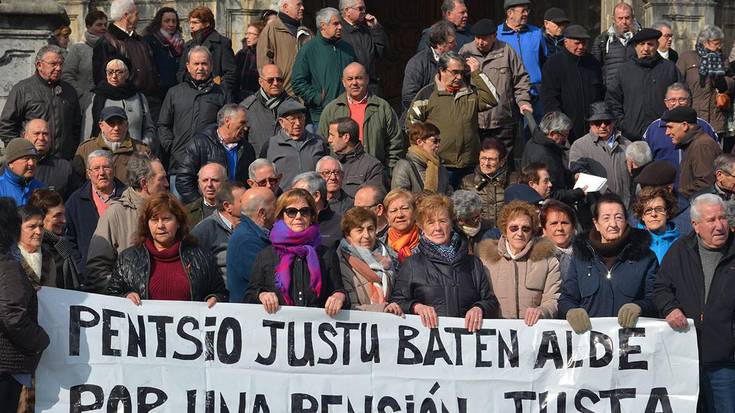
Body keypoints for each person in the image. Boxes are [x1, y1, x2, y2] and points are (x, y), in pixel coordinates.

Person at [653, 194, 735, 412]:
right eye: (711, 220)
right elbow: (660, 287)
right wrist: (670, 308)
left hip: (726, 363)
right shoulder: (680, 250)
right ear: (696, 225)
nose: (719, 226)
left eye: (723, 218)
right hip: (686, 359)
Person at [389, 193, 498, 330]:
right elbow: (396, 302)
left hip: (467, 343)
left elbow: (491, 302)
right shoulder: (411, 264)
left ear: (451, 223)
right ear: (422, 227)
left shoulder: (473, 263)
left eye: (443, 221)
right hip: (428, 343)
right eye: (431, 222)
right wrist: (416, 306)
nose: (438, 228)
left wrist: (480, 308)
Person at [559, 193, 658, 334]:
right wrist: (570, 310)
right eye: (606, 218)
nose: (613, 224)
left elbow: (655, 297)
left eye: (618, 218)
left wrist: (640, 307)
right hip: (591, 343)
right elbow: (567, 298)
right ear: (596, 224)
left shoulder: (645, 257)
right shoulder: (581, 257)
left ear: (625, 221)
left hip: (631, 343)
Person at [107, 192, 227, 304]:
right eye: (154, 219)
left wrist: (215, 299)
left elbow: (220, 293)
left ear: (178, 222)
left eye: (166, 219)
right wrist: (124, 297)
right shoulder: (128, 259)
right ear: (146, 224)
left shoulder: (201, 256)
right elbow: (111, 295)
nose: (160, 226)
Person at [245, 188, 348, 314]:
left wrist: (339, 296)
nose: (298, 216)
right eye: (291, 212)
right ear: (281, 215)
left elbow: (338, 290)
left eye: (304, 211)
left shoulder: (327, 255)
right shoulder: (265, 255)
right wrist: (261, 295)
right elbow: (249, 296)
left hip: (315, 329)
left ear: (312, 216)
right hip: (279, 329)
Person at [406, 51, 497, 187]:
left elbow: (493, 99)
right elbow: (412, 125)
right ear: (442, 70)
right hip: (440, 165)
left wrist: (477, 73)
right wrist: (425, 153)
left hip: (469, 164)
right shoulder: (427, 94)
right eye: (455, 72)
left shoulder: (470, 93)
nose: (459, 77)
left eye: (462, 72)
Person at [85, 154, 168, 293]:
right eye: (161, 179)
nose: (167, 183)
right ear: (144, 183)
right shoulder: (116, 213)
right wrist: (121, 294)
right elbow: (97, 269)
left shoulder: (171, 211)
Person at [0, 198, 49, 413]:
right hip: (6, 367)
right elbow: (12, 316)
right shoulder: (8, 265)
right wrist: (41, 339)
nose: (38, 231)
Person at [477, 200, 560, 324]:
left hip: (533, 332)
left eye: (526, 229)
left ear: (532, 231)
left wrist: (542, 311)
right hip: (496, 334)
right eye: (514, 228)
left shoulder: (548, 261)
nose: (519, 233)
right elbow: (478, 297)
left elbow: (554, 298)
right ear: (505, 230)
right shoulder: (485, 259)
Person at [459, 18, 531, 155]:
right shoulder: (465, 51)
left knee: (503, 160)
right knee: (479, 162)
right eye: (477, 38)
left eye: (484, 38)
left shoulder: (507, 51)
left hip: (503, 120)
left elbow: (521, 79)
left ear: (494, 36)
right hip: (475, 121)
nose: (480, 42)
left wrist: (524, 101)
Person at [158, 46, 226, 186]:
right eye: (196, 64)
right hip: (179, 166)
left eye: (204, 63)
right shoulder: (174, 93)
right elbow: (163, 125)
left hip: (210, 167)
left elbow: (227, 127)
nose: (200, 68)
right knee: (180, 208)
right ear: (188, 66)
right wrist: (173, 148)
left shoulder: (222, 94)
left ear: (211, 66)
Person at [318, 62, 404, 171]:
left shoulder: (383, 108)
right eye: (350, 79)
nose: (354, 83)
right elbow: (322, 145)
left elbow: (395, 144)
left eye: (359, 78)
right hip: (341, 174)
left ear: (367, 79)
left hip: (375, 173)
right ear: (343, 82)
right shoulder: (331, 110)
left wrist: (389, 173)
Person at [0, 45, 81, 160]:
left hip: (63, 162)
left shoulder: (69, 91)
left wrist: (71, 152)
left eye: (60, 64)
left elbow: (76, 126)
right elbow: (6, 126)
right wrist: (20, 153)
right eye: (53, 64)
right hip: (32, 161)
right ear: (39, 65)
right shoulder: (22, 90)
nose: (58, 68)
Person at [606, 28, 681, 141]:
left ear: (656, 46)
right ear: (635, 46)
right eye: (642, 44)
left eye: (650, 44)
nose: (646, 48)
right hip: (632, 136)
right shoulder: (624, 70)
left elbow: (682, 97)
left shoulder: (669, 69)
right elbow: (612, 100)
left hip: (664, 134)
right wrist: (624, 124)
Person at [643, 83, 719, 190]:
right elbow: (645, 163)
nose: (677, 104)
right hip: (664, 193)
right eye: (672, 100)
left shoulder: (704, 127)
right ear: (666, 103)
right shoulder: (653, 129)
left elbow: (716, 165)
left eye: (682, 99)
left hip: (694, 195)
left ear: (689, 101)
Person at [176, 104, 256, 203]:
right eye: (242, 123)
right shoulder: (200, 143)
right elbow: (184, 179)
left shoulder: (247, 149)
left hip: (237, 209)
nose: (246, 128)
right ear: (227, 121)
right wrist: (201, 205)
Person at [65, 150, 126, 277]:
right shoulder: (75, 201)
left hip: (123, 273)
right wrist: (80, 265)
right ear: (88, 173)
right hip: (87, 276)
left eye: (106, 167)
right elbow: (69, 239)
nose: (102, 173)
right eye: (96, 168)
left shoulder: (128, 198)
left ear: (114, 169)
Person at [292, 7, 356, 127]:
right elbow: (297, 82)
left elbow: (358, 74)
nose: (340, 27)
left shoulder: (347, 48)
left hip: (349, 113)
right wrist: (317, 98)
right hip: (321, 117)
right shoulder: (308, 49)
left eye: (340, 23)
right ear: (323, 26)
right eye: (335, 24)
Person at [541, 25, 605, 142]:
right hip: (566, 131)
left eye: (584, 43)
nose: (581, 47)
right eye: (577, 43)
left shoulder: (593, 63)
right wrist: (559, 127)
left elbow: (600, 94)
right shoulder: (553, 64)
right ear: (566, 42)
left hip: (592, 128)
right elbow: (549, 98)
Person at [338, 207, 402, 313]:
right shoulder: (339, 261)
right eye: (359, 230)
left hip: (388, 325)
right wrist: (383, 308)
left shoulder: (388, 257)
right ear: (347, 234)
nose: (366, 235)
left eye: (370, 229)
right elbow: (347, 308)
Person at [569, 102, 633, 207]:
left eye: (607, 122)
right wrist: (603, 190)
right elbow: (579, 175)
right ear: (590, 123)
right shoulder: (579, 146)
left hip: (625, 208)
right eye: (598, 122)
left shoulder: (627, 144)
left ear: (613, 122)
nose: (603, 126)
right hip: (595, 210)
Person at [92, 0, 159, 99]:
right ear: (126, 15)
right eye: (136, 14)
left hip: (149, 100)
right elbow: (102, 78)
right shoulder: (106, 42)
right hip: (123, 101)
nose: (138, 18)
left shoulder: (141, 41)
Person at [678, 25, 735, 137]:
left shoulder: (723, 59)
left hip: (716, 119)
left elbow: (732, 82)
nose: (720, 47)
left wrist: (723, 81)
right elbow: (677, 84)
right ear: (705, 42)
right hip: (693, 118)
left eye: (721, 43)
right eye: (716, 43)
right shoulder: (687, 58)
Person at [73, 106, 152, 186]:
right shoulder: (85, 149)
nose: (116, 128)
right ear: (101, 125)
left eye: (120, 123)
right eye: (111, 123)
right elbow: (76, 184)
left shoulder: (142, 150)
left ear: (127, 125)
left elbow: (151, 182)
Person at [83, 59, 155, 145]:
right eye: (110, 72)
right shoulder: (96, 97)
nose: (114, 76)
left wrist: (143, 146)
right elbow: (87, 132)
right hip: (105, 154)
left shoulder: (139, 97)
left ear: (126, 75)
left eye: (119, 72)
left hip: (136, 154)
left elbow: (149, 128)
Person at [260, 100, 328, 191]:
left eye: (300, 118)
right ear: (281, 122)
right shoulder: (270, 145)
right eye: (292, 119)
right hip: (284, 199)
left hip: (313, 198)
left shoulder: (318, 142)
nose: (298, 123)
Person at [522, 111, 586, 206]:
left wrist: (571, 177)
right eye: (564, 135)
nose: (565, 139)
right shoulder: (545, 156)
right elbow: (551, 194)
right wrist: (578, 193)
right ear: (553, 134)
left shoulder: (534, 141)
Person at [227, 187, 276, 303]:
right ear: (262, 213)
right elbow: (267, 280)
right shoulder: (247, 241)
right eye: (275, 205)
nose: (279, 209)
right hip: (250, 314)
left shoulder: (253, 233)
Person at [178, 6, 236, 101]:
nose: (191, 26)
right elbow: (181, 73)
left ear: (207, 23)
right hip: (191, 96)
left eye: (195, 22)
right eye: (190, 23)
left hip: (215, 96)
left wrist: (219, 90)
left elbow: (231, 73)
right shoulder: (188, 46)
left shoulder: (222, 43)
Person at [191, 182, 246, 284]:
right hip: (221, 296)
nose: (249, 204)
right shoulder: (204, 230)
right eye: (244, 201)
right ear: (227, 206)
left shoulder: (250, 226)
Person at [663, 106, 722, 199]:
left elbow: (706, 183)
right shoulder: (693, 144)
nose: (667, 132)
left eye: (670, 127)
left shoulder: (702, 146)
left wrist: (679, 195)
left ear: (685, 126)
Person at [239, 64, 299, 156]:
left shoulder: (294, 105)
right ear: (261, 82)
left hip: (289, 161)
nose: (275, 83)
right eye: (270, 80)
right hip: (260, 164)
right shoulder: (247, 108)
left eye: (279, 80)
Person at [256, 0, 314, 95]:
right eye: (298, 5)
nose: (302, 8)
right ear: (285, 7)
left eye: (302, 4)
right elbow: (264, 67)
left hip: (307, 95)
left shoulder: (307, 32)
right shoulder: (270, 31)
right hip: (283, 96)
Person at [27, 189, 80, 289]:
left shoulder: (61, 244)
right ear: (40, 218)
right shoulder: (34, 250)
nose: (64, 220)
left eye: (63, 214)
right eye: (57, 216)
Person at [401, 21, 456, 117]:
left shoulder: (454, 60)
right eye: (451, 42)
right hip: (424, 119)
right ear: (439, 44)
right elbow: (408, 97)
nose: (455, 44)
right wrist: (428, 114)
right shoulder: (417, 63)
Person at [496, 0, 546, 102]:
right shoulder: (496, 35)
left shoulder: (536, 33)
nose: (526, 14)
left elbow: (544, 61)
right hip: (507, 94)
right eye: (523, 11)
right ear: (510, 13)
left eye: (527, 10)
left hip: (535, 93)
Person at [460, 137, 516, 226]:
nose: (486, 163)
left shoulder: (514, 181)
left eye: (491, 159)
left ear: (502, 162)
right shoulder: (467, 182)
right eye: (483, 158)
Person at [338, 0, 389, 94]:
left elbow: (380, 52)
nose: (364, 12)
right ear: (347, 11)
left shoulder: (365, 29)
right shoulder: (338, 32)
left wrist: (375, 28)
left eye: (364, 8)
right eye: (360, 9)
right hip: (349, 89)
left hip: (370, 87)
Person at [326, 116, 384, 197]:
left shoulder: (372, 166)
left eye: (332, 135)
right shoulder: (330, 164)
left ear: (346, 137)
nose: (329, 140)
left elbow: (373, 198)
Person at [62, 10, 108, 109]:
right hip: (84, 105)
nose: (103, 28)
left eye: (105, 24)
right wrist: (81, 94)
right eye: (99, 25)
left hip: (108, 102)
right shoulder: (77, 49)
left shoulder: (111, 47)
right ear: (88, 26)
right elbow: (66, 75)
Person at [634, 159, 694, 235]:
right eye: (643, 190)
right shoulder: (635, 220)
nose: (646, 196)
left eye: (653, 192)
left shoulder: (688, 219)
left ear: (669, 189)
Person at [22, 119, 78, 200]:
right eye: (36, 133)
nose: (41, 138)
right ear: (25, 136)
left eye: (45, 134)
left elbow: (75, 203)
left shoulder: (65, 168)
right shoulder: (13, 166)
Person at [391, 121, 450, 194]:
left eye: (439, 141)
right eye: (434, 141)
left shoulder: (440, 167)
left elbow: (448, 193)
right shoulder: (404, 166)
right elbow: (398, 197)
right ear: (419, 142)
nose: (438, 145)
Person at [591, 2, 638, 87]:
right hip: (611, 92)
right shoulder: (603, 40)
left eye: (627, 18)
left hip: (635, 89)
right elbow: (595, 69)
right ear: (614, 19)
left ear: (632, 18)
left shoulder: (641, 39)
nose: (624, 22)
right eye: (620, 18)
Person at [291, 172, 343, 249]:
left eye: (299, 194)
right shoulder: (289, 221)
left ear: (316, 196)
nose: (292, 198)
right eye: (292, 194)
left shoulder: (340, 225)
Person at [142, 7, 184, 101]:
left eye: (174, 21)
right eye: (167, 21)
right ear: (159, 22)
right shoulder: (149, 41)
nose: (171, 24)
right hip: (158, 93)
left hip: (178, 91)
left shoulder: (181, 43)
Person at [632, 186, 680, 263]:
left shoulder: (680, 243)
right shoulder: (633, 243)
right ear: (642, 216)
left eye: (659, 209)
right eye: (648, 210)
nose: (654, 214)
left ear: (667, 213)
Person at [16, 204, 57, 289]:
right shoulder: (7, 257)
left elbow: (52, 290)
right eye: (32, 226)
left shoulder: (48, 257)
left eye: (41, 226)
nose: (38, 232)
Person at [0, 139, 45, 206]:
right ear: (11, 163)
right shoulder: (1, 187)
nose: (31, 163)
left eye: (34, 158)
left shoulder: (41, 188)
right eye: (26, 158)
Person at [383, 188, 420, 264]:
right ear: (387, 217)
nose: (399, 215)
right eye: (393, 210)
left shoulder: (428, 240)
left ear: (414, 212)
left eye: (405, 208)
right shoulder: (380, 245)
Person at [540, 200, 576, 276]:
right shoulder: (537, 259)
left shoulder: (588, 254)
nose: (560, 228)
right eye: (554, 223)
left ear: (573, 228)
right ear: (544, 230)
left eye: (564, 223)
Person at [452, 190, 493, 254]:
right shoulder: (451, 234)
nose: (480, 219)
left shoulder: (489, 228)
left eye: (481, 212)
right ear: (460, 220)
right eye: (474, 218)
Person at [186, 163, 226, 227]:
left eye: (214, 180)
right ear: (199, 183)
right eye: (205, 180)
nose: (209, 184)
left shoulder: (235, 209)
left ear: (225, 182)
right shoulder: (187, 211)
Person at [235, 21, 265, 102]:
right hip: (241, 97)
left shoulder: (265, 54)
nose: (247, 37)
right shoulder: (242, 54)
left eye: (251, 34)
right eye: (246, 33)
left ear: (260, 36)